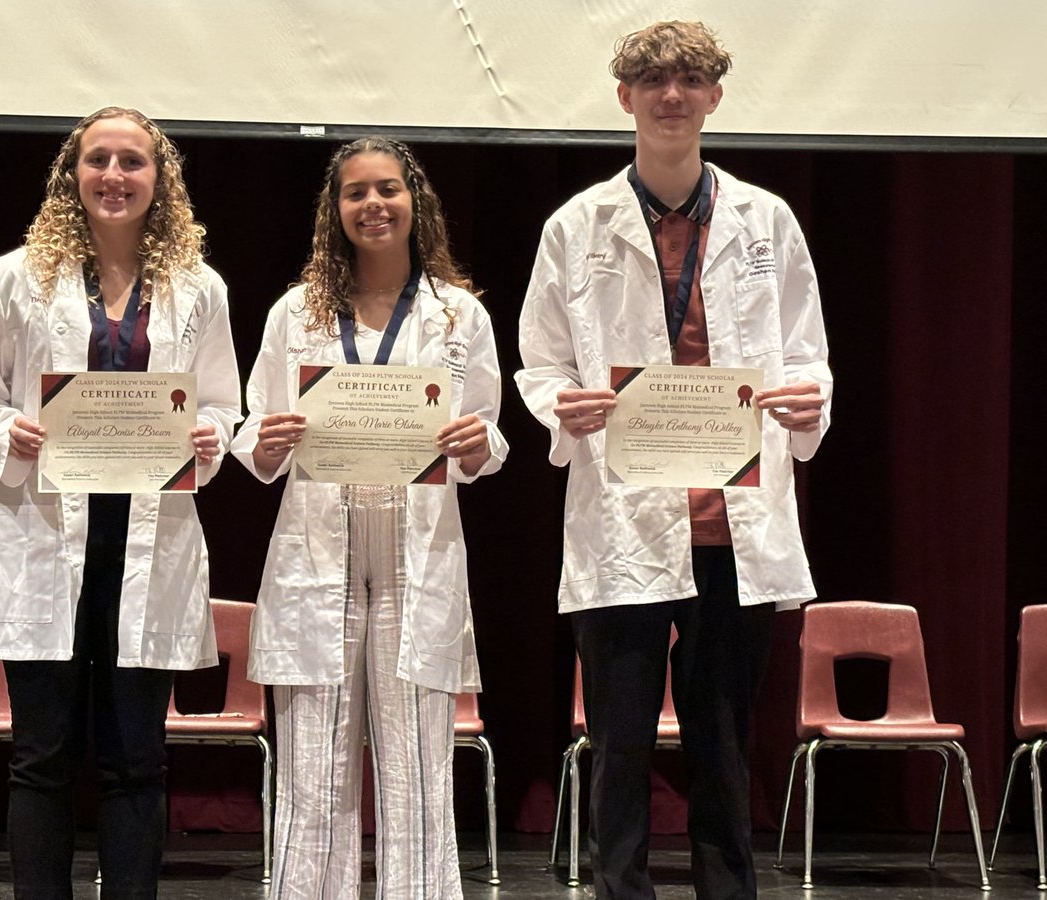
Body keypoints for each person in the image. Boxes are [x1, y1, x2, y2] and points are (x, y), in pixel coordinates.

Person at [516, 21, 832, 900]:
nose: (671, 95)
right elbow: (539, 361)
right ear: (624, 97)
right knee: (618, 741)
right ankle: (622, 892)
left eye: (689, 79)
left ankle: (727, 892)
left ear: (714, 97)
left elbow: (806, 352)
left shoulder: (767, 219)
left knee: (724, 740)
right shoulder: (576, 225)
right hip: (627, 518)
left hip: (732, 524)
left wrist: (810, 400)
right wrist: (558, 404)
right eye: (652, 80)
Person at [0, 106, 242, 900]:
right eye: (98, 159)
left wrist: (209, 437)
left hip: (148, 544)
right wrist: (9, 428)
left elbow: (219, 403)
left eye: (132, 162)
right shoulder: (17, 277)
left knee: (137, 759)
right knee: (39, 758)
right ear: (72, 174)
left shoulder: (197, 288)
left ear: (160, 179)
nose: (114, 175)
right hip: (44, 538)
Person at [231, 136, 507, 899]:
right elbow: (252, 430)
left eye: (388, 189)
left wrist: (478, 443)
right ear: (336, 209)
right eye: (356, 193)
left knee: (418, 766)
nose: (373, 204)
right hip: (319, 543)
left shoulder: (459, 315)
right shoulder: (297, 313)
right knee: (313, 765)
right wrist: (267, 437)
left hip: (415, 549)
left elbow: (488, 433)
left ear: (415, 202)